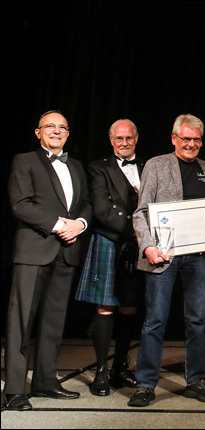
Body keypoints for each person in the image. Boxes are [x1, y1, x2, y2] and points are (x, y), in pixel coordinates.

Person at [128, 114, 205, 407]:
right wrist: (147, 247)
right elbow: (140, 212)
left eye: (196, 140)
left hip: (197, 258)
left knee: (197, 321)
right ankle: (145, 384)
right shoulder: (156, 165)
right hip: (163, 255)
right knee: (155, 321)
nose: (191, 144)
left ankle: (197, 380)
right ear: (174, 139)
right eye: (186, 139)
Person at [3, 110, 92, 411]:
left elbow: (86, 204)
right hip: (34, 250)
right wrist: (58, 225)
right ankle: (15, 390)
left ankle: (45, 382)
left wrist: (79, 224)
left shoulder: (76, 166)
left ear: (68, 133)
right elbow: (20, 204)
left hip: (66, 252)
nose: (56, 131)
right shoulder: (24, 160)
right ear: (38, 132)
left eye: (62, 127)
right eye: (50, 126)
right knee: (21, 321)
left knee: (54, 321)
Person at [75, 119, 144, 397]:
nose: (124, 143)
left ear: (136, 139)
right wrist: (138, 231)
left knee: (130, 306)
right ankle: (102, 370)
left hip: (139, 245)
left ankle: (120, 367)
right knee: (106, 307)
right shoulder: (98, 168)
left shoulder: (148, 166)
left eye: (128, 138)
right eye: (119, 138)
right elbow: (102, 209)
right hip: (111, 240)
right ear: (111, 140)